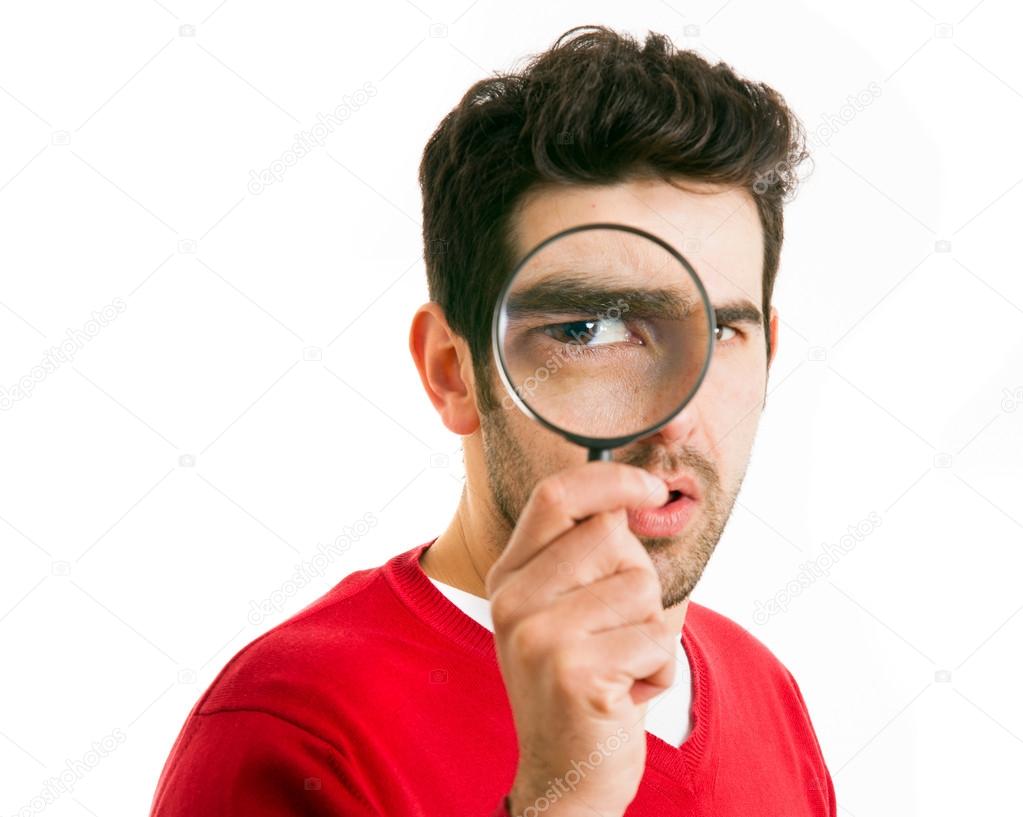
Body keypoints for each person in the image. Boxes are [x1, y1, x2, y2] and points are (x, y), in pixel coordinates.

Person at [149, 24, 833, 816]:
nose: (674, 418)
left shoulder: (762, 685)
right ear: (451, 370)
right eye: (589, 331)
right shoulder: (296, 728)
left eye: (720, 332)